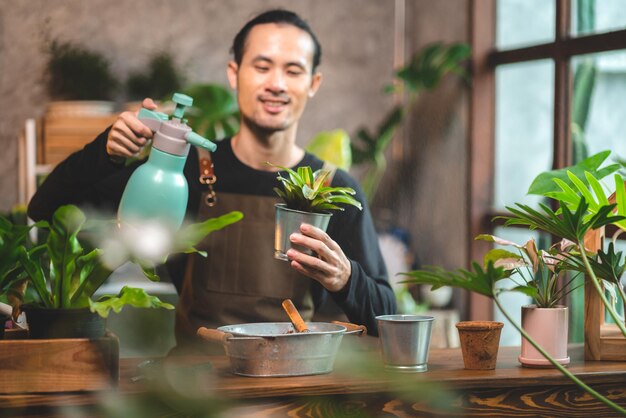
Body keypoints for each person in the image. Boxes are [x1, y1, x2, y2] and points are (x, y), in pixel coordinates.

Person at [28, 9, 396, 347]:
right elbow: (46, 208)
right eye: (262, 66)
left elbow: (388, 317)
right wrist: (103, 153)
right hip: (195, 389)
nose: (277, 84)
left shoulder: (331, 191)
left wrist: (347, 280)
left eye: (293, 70)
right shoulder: (181, 172)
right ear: (234, 73)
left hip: (291, 390)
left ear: (313, 82)